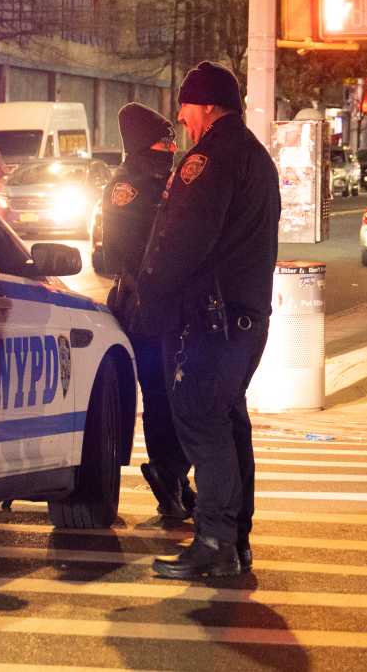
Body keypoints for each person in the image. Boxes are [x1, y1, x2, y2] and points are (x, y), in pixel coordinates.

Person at [133, 61, 280, 579]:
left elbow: (184, 239)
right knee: (228, 421)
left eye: (186, 108)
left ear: (207, 107)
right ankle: (235, 539)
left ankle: (216, 539)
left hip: (209, 319)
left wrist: (149, 293)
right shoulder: (255, 157)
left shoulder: (211, 157)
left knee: (200, 417)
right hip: (242, 315)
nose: (182, 118)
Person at [101, 102, 195, 521]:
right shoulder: (131, 186)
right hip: (145, 305)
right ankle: (168, 473)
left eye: (172, 139)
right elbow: (123, 251)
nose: (170, 146)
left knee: (177, 393)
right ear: (143, 144)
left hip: (166, 303)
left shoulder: (160, 179)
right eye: (163, 140)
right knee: (162, 392)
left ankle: (175, 476)